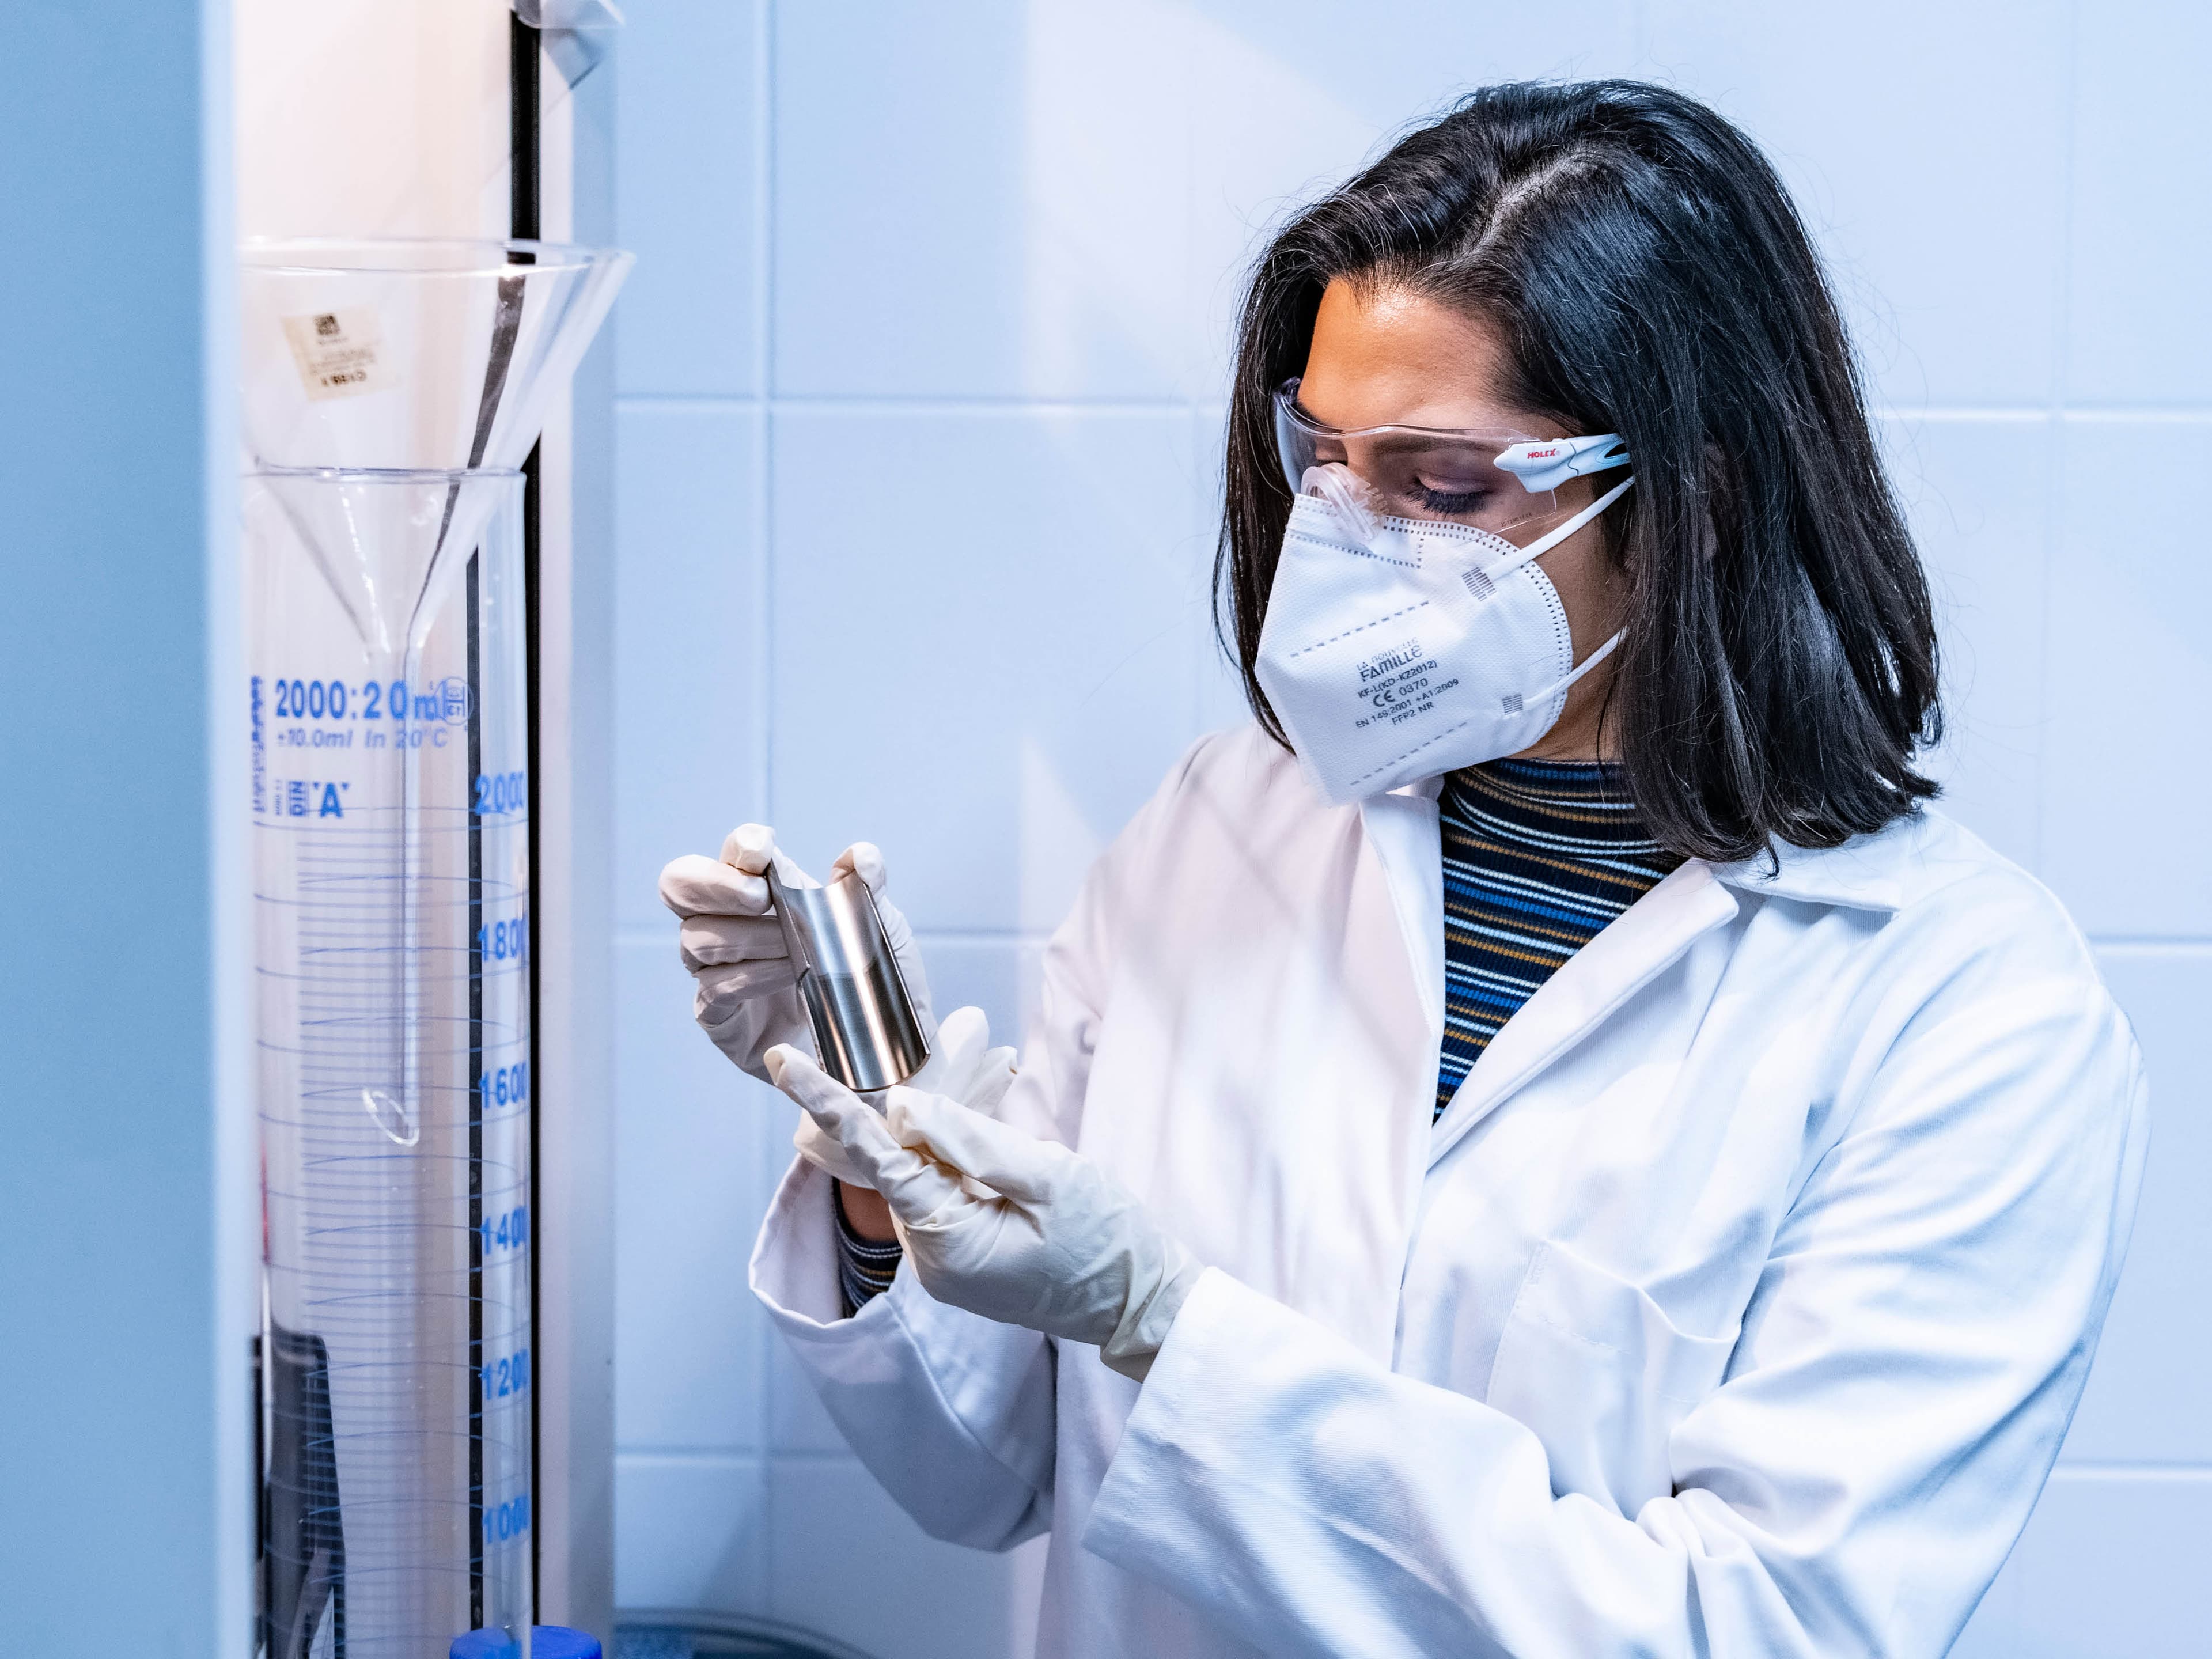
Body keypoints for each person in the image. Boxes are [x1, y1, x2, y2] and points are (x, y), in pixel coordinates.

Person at [658, 81, 2146, 1659]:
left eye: (1441, 487)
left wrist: (1174, 1330)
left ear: (1699, 501)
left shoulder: (1966, 1012)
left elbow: (1758, 1630)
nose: (1352, 542)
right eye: (1324, 463)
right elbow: (996, 1479)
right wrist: (883, 1178)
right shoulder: (1223, 830)